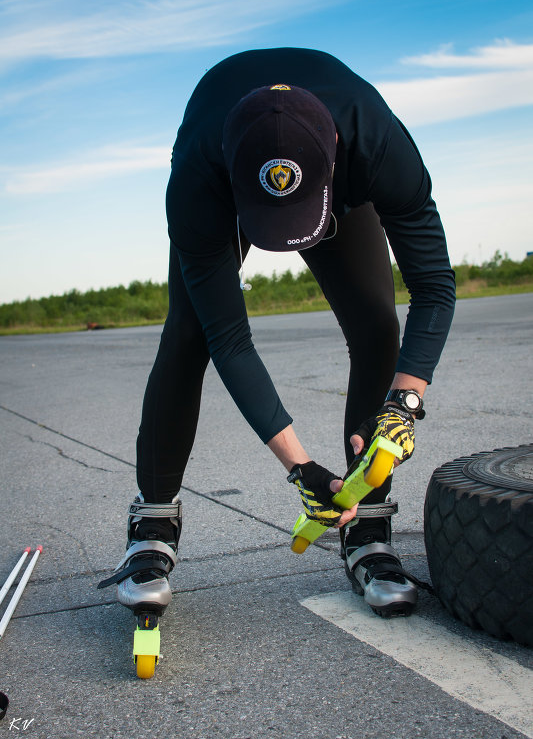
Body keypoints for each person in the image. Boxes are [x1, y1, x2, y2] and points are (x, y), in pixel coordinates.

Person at [99, 48, 455, 618]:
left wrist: (403, 404)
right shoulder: (198, 176)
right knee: (188, 333)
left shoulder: (377, 140)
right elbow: (230, 337)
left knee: (377, 323)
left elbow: (434, 283)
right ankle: (153, 521)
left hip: (338, 168)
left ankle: (366, 526)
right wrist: (301, 467)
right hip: (219, 162)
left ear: (337, 152)